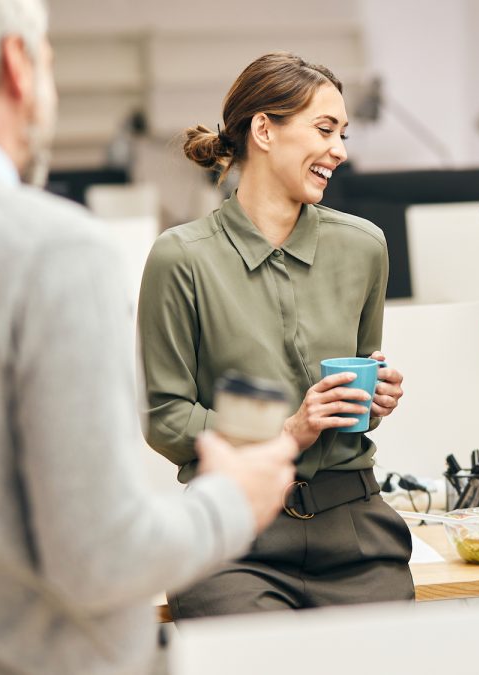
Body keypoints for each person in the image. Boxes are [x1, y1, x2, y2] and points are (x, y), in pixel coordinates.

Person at [0, 1, 299, 673]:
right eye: (50, 60)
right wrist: (231, 500)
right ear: (17, 64)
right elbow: (100, 555)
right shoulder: (57, 252)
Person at [137, 51, 413, 617]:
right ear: (264, 129)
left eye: (343, 133)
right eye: (324, 128)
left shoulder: (364, 246)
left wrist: (374, 398)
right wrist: (289, 431)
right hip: (234, 537)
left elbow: (357, 386)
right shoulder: (182, 258)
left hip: (356, 526)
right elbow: (165, 417)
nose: (339, 149)